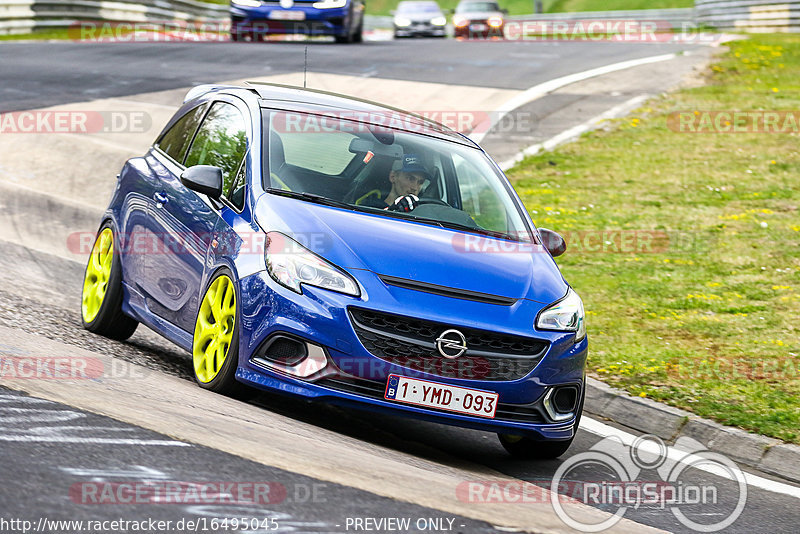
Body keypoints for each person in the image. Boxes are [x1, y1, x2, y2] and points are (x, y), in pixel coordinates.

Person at [358, 153, 429, 212]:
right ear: (393, 177)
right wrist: (390, 210)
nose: (415, 188)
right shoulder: (370, 207)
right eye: (410, 179)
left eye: (420, 182)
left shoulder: (422, 215)